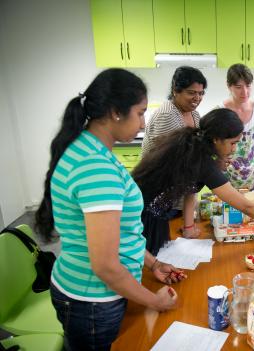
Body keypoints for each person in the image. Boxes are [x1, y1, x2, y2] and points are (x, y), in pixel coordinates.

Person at [35, 69, 185, 351]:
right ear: (116, 112)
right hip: (92, 300)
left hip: (81, 289)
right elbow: (105, 265)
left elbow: (116, 233)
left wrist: (152, 263)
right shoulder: (97, 168)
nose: (143, 123)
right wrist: (154, 300)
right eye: (140, 113)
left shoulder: (87, 149)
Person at [132, 108, 254, 255]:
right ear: (216, 139)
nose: (234, 149)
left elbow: (190, 188)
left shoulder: (196, 147)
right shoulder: (202, 161)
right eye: (233, 143)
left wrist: (189, 227)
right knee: (148, 267)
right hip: (142, 215)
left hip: (150, 210)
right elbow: (246, 206)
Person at [142, 66, 208, 235]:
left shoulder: (195, 115)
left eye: (201, 93)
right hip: (160, 197)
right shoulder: (168, 114)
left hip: (179, 196)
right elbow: (178, 161)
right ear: (175, 91)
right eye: (191, 92)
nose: (197, 98)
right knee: (161, 244)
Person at [219, 63, 254, 196]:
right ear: (228, 86)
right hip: (227, 181)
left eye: (248, 86)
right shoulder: (220, 112)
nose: (245, 92)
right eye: (238, 87)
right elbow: (216, 148)